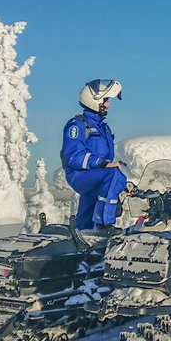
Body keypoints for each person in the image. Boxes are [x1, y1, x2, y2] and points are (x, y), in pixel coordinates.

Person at [61, 79, 128, 231]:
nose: (108, 105)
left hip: (94, 175)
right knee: (113, 176)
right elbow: (73, 156)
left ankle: (81, 240)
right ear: (93, 100)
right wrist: (102, 164)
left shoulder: (103, 128)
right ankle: (104, 224)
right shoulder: (77, 124)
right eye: (105, 100)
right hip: (80, 175)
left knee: (86, 221)